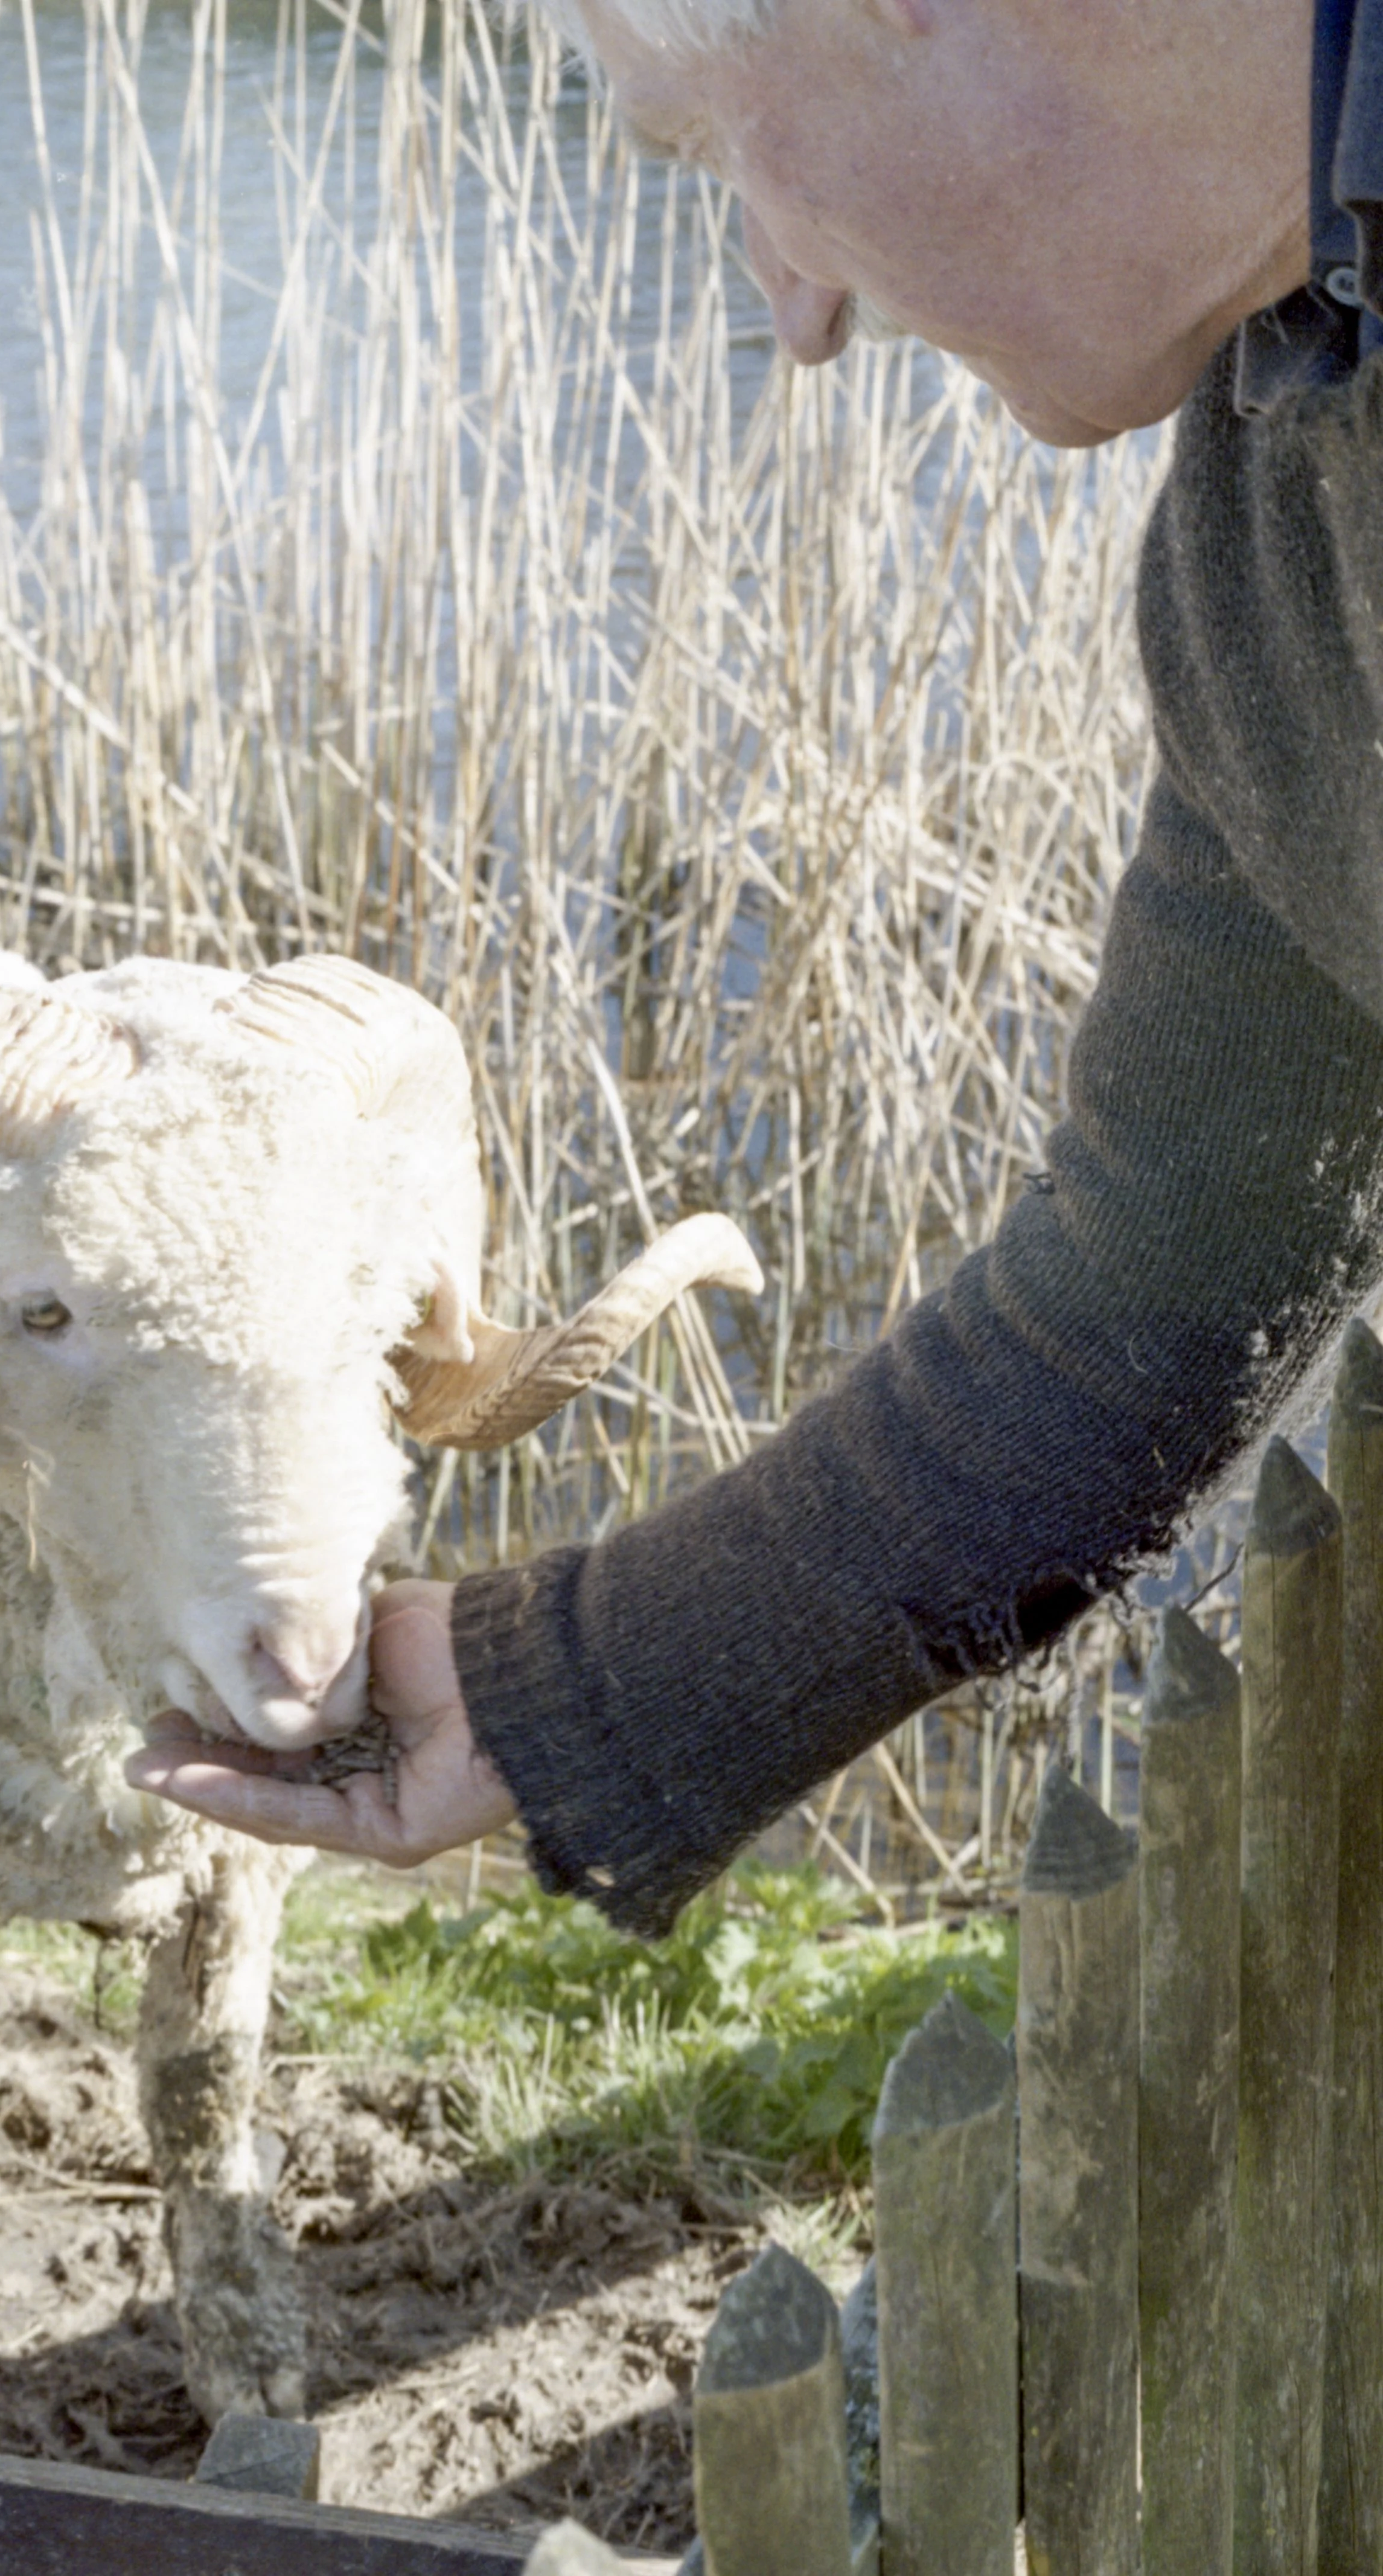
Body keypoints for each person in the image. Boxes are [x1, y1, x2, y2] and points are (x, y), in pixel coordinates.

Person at [127, 0, 1383, 1938]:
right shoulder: (1268, 523)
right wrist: (577, 1686)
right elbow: (1163, 1269)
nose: (787, 310)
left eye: (724, 158)